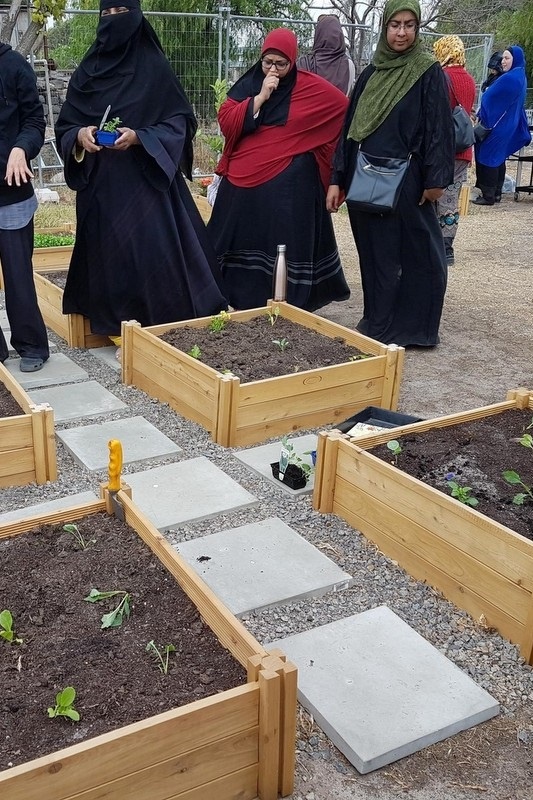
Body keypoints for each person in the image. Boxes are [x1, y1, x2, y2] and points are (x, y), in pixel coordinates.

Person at [54, 0, 227, 353]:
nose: (115, 21)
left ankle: (151, 331)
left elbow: (180, 121)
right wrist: (81, 136)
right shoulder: (87, 72)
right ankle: (114, 327)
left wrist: (140, 137)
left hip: (145, 184)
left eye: (122, 12)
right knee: (108, 258)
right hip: (100, 184)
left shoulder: (153, 67)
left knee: (146, 257)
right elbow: (66, 125)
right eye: (107, 14)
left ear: (136, 16)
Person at [327, 0, 454, 348]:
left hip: (410, 180)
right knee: (376, 253)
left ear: (417, 29)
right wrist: (338, 177)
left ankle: (415, 329)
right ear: (385, 28)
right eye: (395, 24)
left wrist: (435, 180)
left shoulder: (427, 71)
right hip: (367, 178)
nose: (401, 32)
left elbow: (439, 127)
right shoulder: (371, 73)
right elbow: (349, 130)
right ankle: (378, 324)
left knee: (421, 253)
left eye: (409, 24)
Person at [207, 27, 350, 312]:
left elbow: (343, 112)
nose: (273, 69)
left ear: (293, 62)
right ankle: (228, 291)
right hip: (242, 177)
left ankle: (283, 297)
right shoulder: (249, 85)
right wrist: (260, 97)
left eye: (281, 64)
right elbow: (227, 121)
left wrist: (314, 148)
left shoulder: (310, 88)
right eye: (267, 62)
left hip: (286, 182)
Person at [0, 43, 49, 372]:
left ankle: (32, 344)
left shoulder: (15, 66)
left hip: (10, 194)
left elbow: (34, 122)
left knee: (18, 276)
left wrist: (21, 148)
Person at [433, 35, 476, 265]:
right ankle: (447, 245)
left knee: (435, 195)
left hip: (443, 148)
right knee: (452, 197)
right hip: (463, 150)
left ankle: (435, 244)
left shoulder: (441, 77)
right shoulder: (469, 79)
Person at [473, 46, 531, 206]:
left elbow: (488, 98)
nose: (503, 62)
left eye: (507, 58)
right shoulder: (520, 76)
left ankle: (488, 195)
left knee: (488, 157)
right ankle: (496, 193)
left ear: (515, 59)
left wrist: (481, 115)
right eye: (503, 58)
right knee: (498, 158)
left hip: (496, 127)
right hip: (508, 125)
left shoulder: (509, 78)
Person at [296, 15, 356, 96]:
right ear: (340, 36)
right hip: (339, 108)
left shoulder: (303, 63)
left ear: (318, 34)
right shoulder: (349, 65)